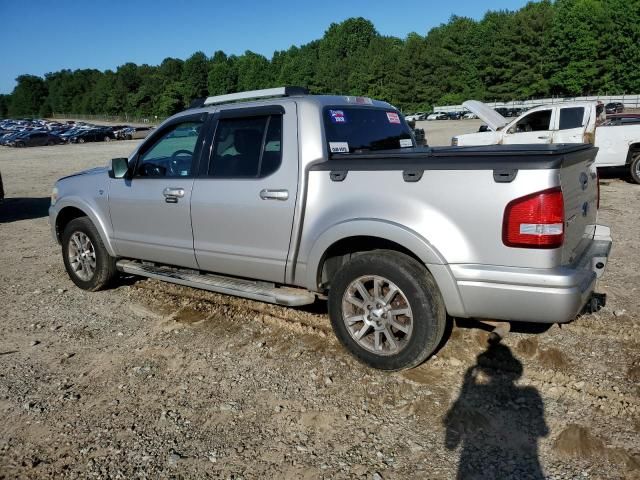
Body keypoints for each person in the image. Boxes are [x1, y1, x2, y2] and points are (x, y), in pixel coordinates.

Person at [444, 344, 548, 479]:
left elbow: (451, 441)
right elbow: (543, 431)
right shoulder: (531, 394)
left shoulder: (476, 393)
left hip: (476, 464)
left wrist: (467, 385)